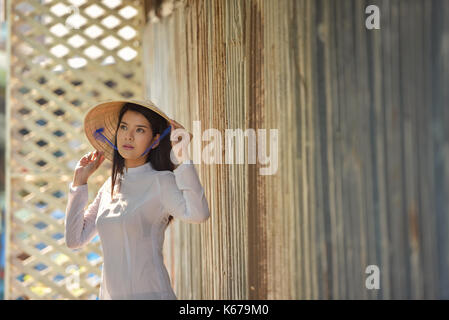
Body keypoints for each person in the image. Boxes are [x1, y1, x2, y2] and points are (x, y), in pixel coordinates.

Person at [64, 99, 210, 300]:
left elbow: (199, 214)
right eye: (124, 127)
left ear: (155, 140)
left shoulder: (161, 181)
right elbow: (74, 240)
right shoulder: (110, 186)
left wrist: (182, 156)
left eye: (140, 130)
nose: (128, 136)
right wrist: (79, 183)